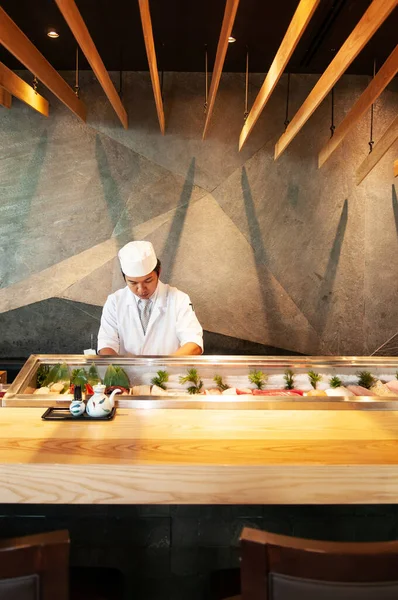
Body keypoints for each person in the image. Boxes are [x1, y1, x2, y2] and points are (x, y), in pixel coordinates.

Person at [97, 241, 203, 356]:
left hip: (169, 372)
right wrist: (118, 371)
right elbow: (106, 344)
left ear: (159, 272)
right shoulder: (114, 302)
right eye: (133, 283)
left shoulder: (179, 299)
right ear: (124, 278)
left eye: (148, 281)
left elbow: (193, 343)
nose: (141, 289)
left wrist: (163, 369)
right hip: (128, 373)